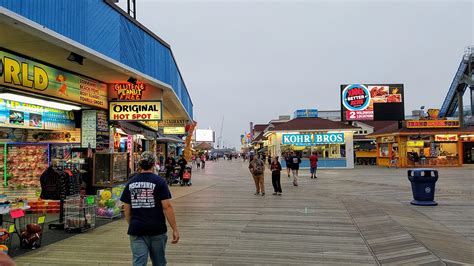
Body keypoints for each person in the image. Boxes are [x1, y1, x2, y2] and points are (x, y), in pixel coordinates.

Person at [120, 152, 180, 266]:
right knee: (159, 262)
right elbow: (167, 207)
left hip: (137, 229)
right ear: (153, 164)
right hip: (157, 229)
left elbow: (126, 209)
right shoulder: (160, 182)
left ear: (140, 164)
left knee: (139, 263)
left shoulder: (131, 183)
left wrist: (132, 223)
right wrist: (175, 229)